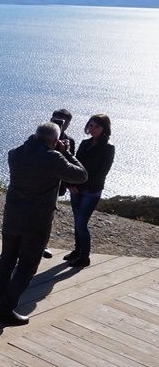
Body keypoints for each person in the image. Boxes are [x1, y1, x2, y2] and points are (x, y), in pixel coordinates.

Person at [0, 122, 87, 326]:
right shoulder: (53, 158)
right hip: (36, 221)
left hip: (12, 216)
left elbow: (27, 150)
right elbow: (81, 175)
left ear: (34, 136)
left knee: (7, 259)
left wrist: (39, 142)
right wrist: (67, 153)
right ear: (55, 141)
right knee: (27, 267)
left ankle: (0, 298)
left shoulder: (15, 154)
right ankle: (5, 309)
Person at [66, 114, 115, 268]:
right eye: (91, 125)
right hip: (76, 188)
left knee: (81, 223)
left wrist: (78, 185)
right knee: (77, 221)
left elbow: (102, 172)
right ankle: (77, 250)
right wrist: (69, 183)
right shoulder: (85, 143)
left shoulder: (108, 148)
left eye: (97, 126)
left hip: (91, 191)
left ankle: (84, 257)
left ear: (104, 129)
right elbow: (75, 164)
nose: (92, 129)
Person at [42, 108, 75, 259]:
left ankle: (43, 245)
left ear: (68, 124)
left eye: (63, 122)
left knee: (48, 216)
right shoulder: (41, 136)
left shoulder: (69, 142)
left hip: (55, 186)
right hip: (37, 182)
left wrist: (64, 150)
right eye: (55, 120)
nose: (59, 124)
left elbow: (68, 166)